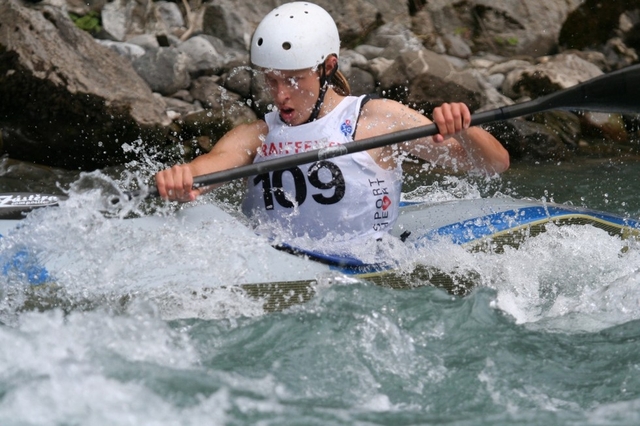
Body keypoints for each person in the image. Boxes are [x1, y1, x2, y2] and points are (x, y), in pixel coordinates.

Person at [155, 1, 509, 252]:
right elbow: (207, 169)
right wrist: (183, 178)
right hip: (276, 261)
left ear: (327, 67)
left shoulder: (376, 119)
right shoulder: (256, 135)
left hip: (363, 259)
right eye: (271, 80)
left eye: (293, 80)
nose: (280, 95)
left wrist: (464, 129)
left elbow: (492, 165)